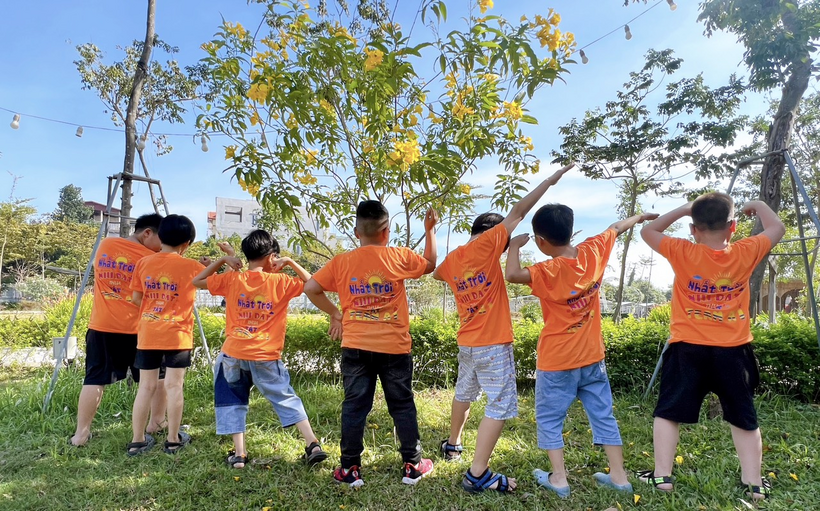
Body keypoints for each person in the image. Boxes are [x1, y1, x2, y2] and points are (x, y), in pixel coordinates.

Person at [432, 163, 574, 493]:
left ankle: (453, 444)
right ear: (494, 234)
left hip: (467, 343)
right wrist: (550, 181)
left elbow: (438, 273)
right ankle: (477, 473)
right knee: (499, 405)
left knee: (463, 393)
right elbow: (520, 210)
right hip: (493, 344)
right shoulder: (489, 243)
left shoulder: (455, 258)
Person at [638, 193, 785, 500]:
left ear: (694, 229)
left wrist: (683, 209)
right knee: (743, 415)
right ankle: (754, 484)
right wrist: (758, 206)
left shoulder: (682, 251)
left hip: (687, 348)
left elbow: (648, 232)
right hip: (732, 350)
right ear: (733, 228)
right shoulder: (746, 250)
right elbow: (777, 228)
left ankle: (662, 477)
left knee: (668, 412)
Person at [506, 204, 658, 498]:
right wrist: (638, 217)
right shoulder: (592, 252)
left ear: (540, 241)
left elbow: (512, 274)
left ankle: (559, 479)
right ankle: (619, 477)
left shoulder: (547, 270)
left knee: (550, 418)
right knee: (603, 415)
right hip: (592, 358)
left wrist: (514, 245)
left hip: (557, 361)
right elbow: (616, 227)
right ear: (571, 231)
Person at [304, 201, 438, 488]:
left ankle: (350, 469)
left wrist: (335, 313)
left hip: (355, 346)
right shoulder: (398, 256)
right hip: (395, 347)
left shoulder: (342, 262)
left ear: (356, 232)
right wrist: (430, 231)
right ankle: (413, 464)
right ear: (386, 231)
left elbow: (310, 288)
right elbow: (430, 264)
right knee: (402, 405)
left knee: (355, 406)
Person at [192, 229, 328, 468]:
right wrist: (290, 262)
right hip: (266, 355)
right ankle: (312, 444)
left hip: (232, 353)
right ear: (271, 256)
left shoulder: (233, 279)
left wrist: (223, 260)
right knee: (286, 398)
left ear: (247, 255)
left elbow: (196, 281)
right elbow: (314, 284)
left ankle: (240, 455)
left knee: (233, 400)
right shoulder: (281, 281)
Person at [70, 213, 165, 447]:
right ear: (147, 233)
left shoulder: (105, 245)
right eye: (162, 239)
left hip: (102, 326)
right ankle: (156, 423)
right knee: (157, 378)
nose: (163, 246)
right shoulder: (152, 258)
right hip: (141, 330)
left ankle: (81, 434)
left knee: (94, 379)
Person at [126, 214, 205, 456]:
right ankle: (173, 439)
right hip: (178, 335)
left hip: (148, 333)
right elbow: (212, 282)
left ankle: (137, 441)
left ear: (160, 237)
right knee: (174, 386)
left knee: (146, 387)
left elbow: (136, 298)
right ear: (187, 244)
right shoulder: (193, 267)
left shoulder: (144, 263)